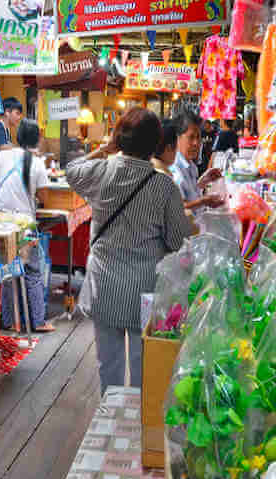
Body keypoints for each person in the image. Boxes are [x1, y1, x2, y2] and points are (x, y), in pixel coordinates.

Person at [66, 108, 191, 391]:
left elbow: (71, 172)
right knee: (142, 370)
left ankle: (108, 419)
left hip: (104, 285)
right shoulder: (164, 186)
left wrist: (103, 150)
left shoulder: (102, 170)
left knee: (107, 368)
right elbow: (179, 240)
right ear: (155, 144)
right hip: (144, 290)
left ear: (120, 138)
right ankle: (137, 428)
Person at [0, 120, 55, 333]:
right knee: (33, 271)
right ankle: (37, 321)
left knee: (6, 272)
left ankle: (9, 320)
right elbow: (44, 197)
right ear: (37, 139)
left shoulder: (1, 157)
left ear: (17, 137)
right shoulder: (37, 163)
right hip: (23, 225)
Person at [170, 110, 225, 211]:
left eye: (198, 137)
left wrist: (202, 182)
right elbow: (177, 209)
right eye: (191, 137)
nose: (196, 143)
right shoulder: (174, 170)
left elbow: (190, 194)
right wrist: (204, 201)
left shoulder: (191, 166)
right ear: (177, 138)